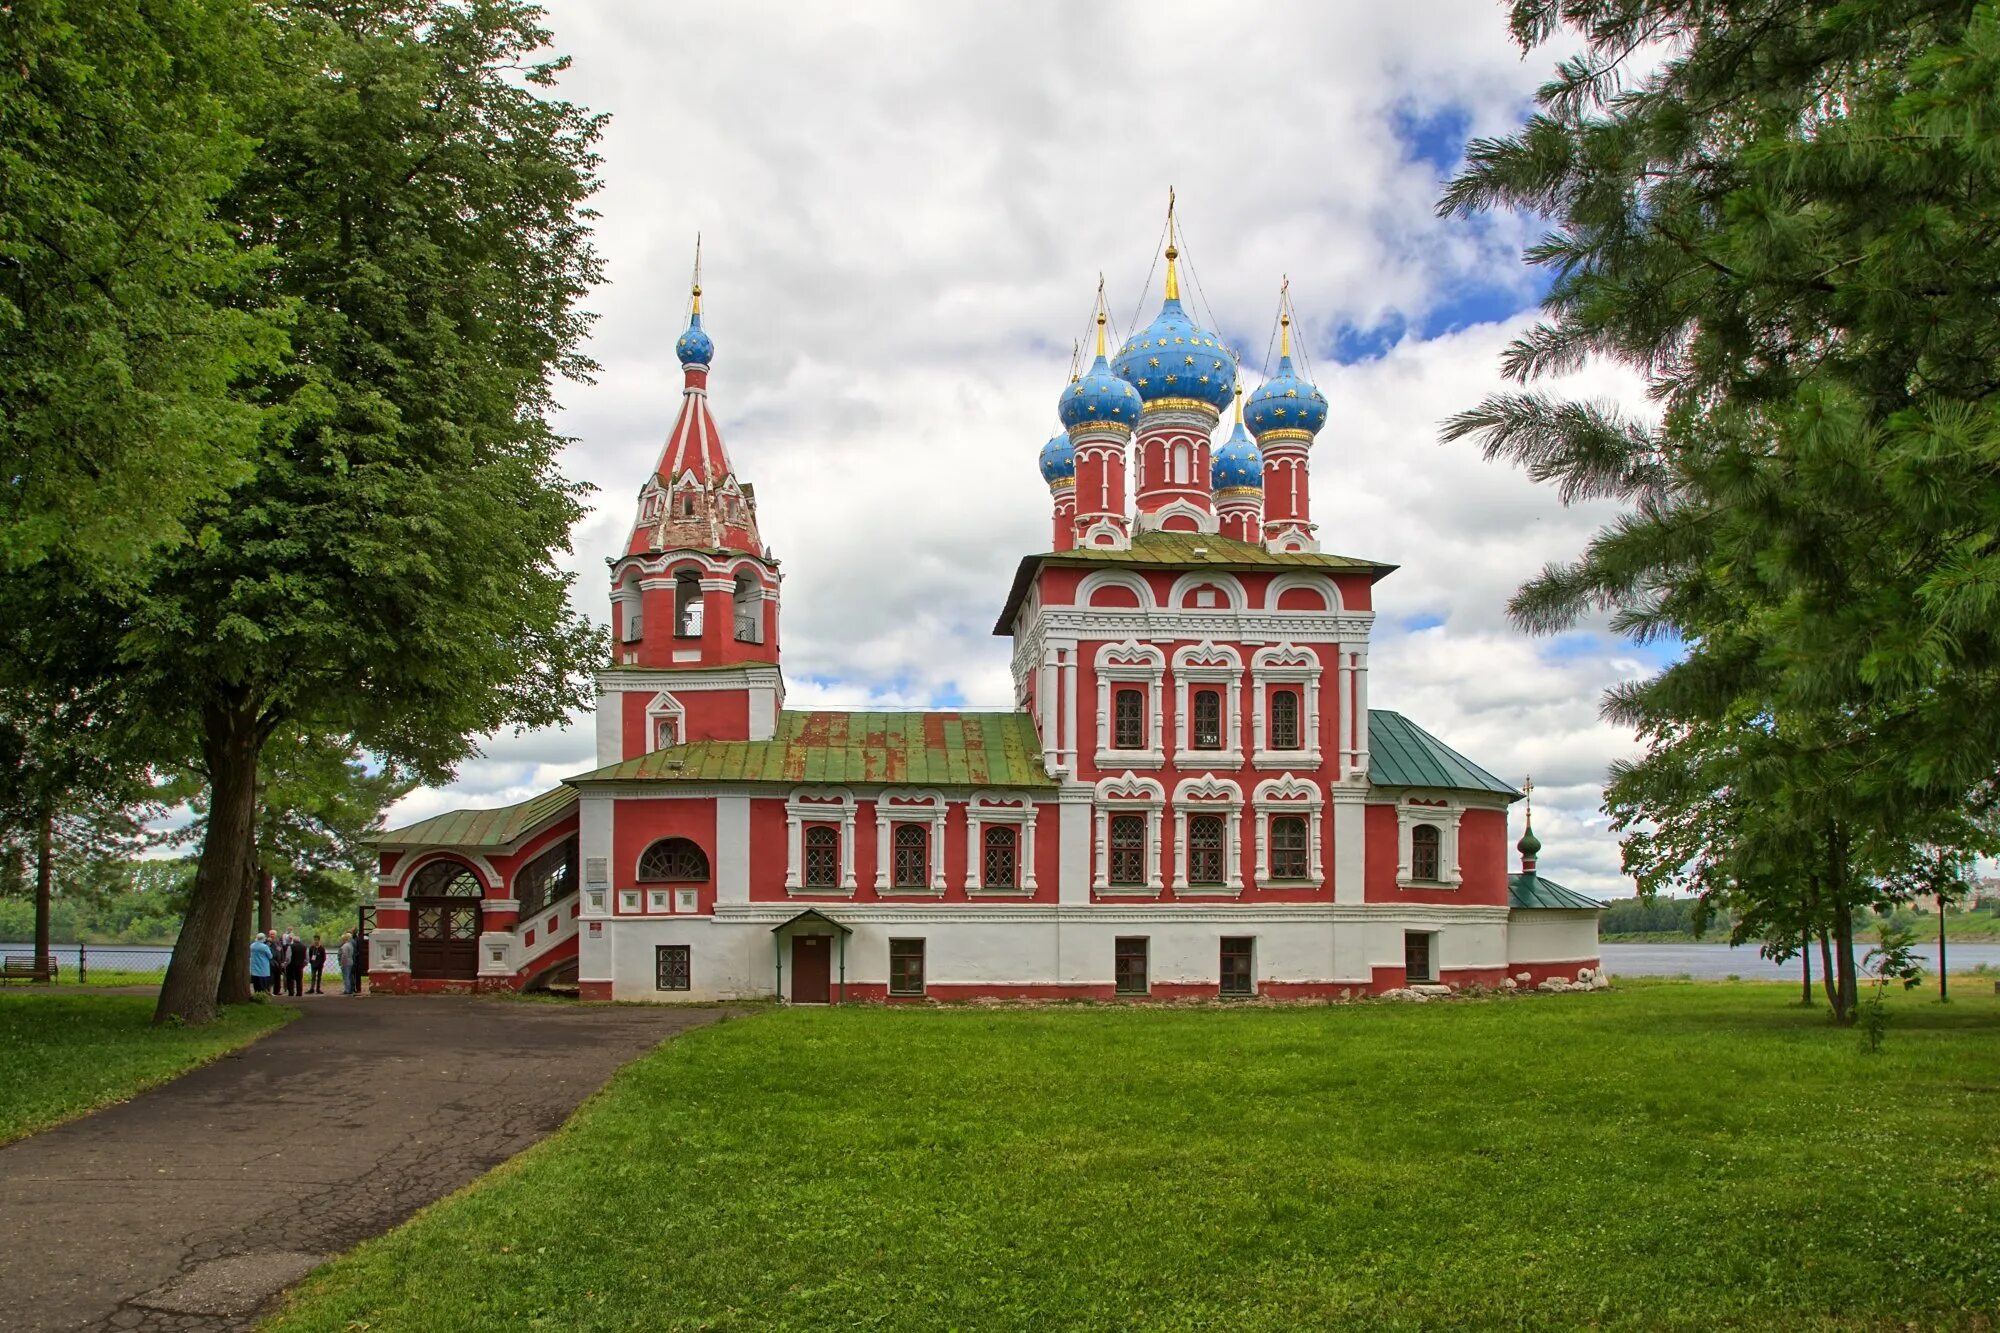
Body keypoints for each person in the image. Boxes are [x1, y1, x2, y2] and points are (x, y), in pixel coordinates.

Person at [282, 928, 307, 997]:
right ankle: (299, 993)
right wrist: (303, 965)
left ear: (293, 940)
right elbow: (306, 958)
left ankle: (291, 992)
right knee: (299, 980)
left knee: (290, 979)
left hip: (291, 966)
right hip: (300, 966)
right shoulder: (304, 947)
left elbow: (288, 958)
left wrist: (286, 964)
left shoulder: (290, 947)